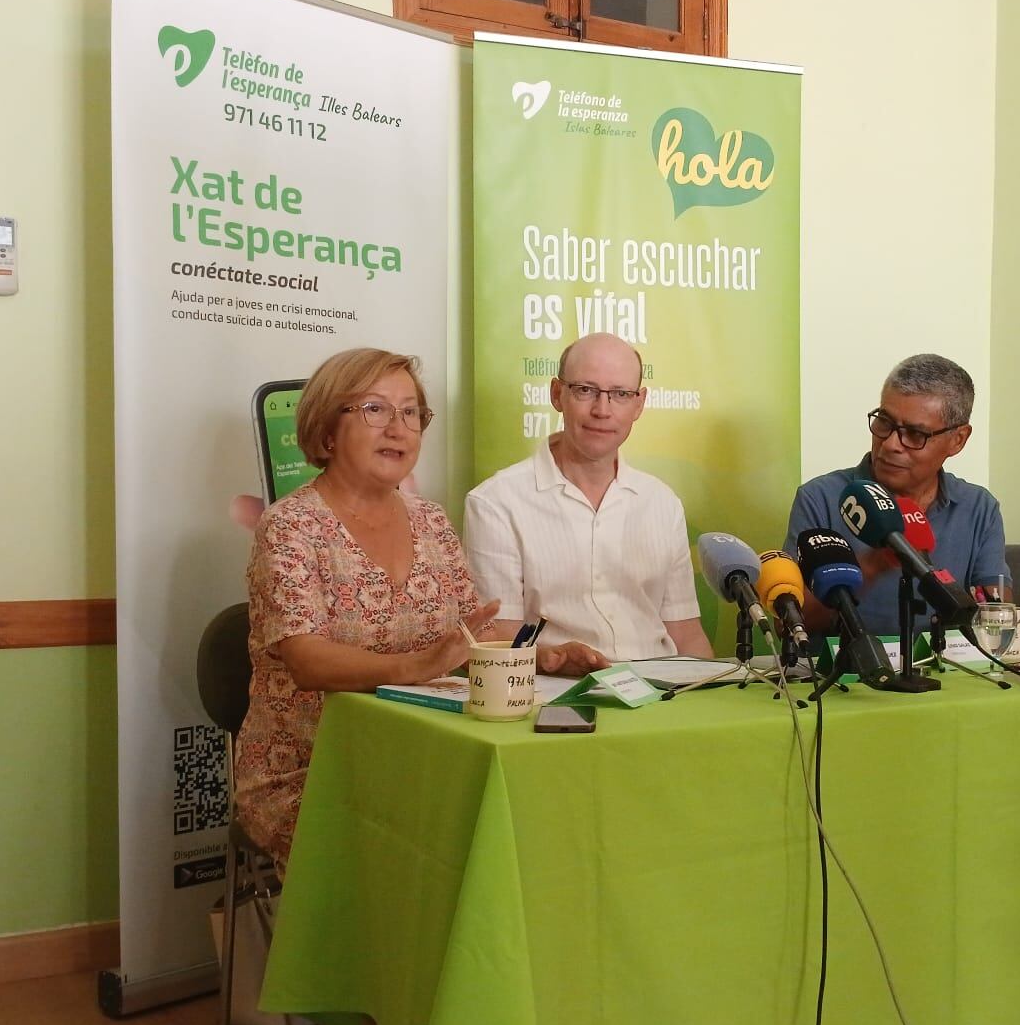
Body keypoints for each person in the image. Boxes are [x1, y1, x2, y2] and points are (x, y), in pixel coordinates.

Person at [234, 348, 586, 872]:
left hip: (427, 754)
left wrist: (544, 657)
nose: (397, 428)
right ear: (327, 430)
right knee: (444, 845)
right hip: (317, 767)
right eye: (374, 409)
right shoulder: (291, 526)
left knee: (532, 818)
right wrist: (416, 665)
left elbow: (468, 639)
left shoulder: (432, 522)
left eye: (410, 413)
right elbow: (306, 660)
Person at [464, 333, 713, 663]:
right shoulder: (495, 503)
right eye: (585, 390)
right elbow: (497, 638)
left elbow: (686, 634)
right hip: (553, 698)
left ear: (639, 404)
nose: (602, 410)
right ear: (557, 394)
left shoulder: (662, 504)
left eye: (620, 394)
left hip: (662, 695)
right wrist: (553, 661)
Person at [787, 353, 1008, 637]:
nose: (891, 444)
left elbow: (996, 607)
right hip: (848, 676)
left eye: (915, 434)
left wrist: (1008, 632)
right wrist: (871, 565)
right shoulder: (821, 498)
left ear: (958, 440)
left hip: (946, 674)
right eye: (884, 422)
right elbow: (791, 622)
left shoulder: (979, 507)